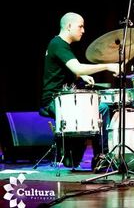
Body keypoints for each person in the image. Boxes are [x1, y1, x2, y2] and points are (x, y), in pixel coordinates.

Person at [39, 12, 120, 170]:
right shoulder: (58, 44)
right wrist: (108, 66)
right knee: (101, 108)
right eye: (80, 26)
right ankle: (100, 157)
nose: (83, 30)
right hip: (54, 101)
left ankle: (99, 157)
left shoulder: (60, 45)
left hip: (64, 99)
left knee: (101, 108)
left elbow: (67, 70)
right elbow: (75, 66)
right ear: (69, 26)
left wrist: (81, 75)